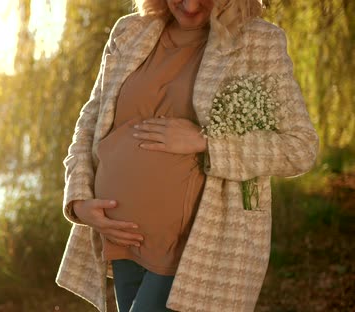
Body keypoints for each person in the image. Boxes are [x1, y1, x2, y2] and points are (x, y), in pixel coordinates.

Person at [55, 0, 319, 311]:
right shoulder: (130, 31)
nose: (191, 5)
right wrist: (78, 200)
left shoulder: (258, 41)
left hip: (197, 246)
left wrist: (204, 141)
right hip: (121, 235)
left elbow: (301, 148)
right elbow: (89, 123)